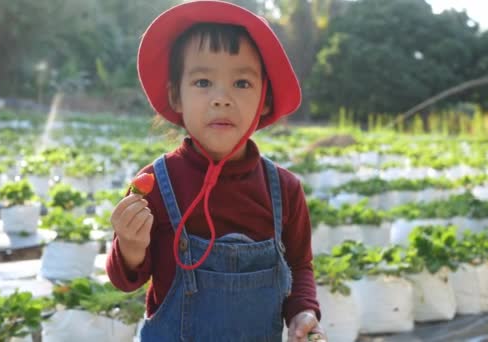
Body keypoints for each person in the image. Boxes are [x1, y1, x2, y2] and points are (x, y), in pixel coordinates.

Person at [106, 1, 325, 341]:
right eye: (203, 81)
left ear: (265, 99)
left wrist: (303, 311)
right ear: (175, 96)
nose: (221, 98)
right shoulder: (154, 185)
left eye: (242, 83)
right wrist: (131, 245)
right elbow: (125, 280)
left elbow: (300, 267)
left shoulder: (284, 190)